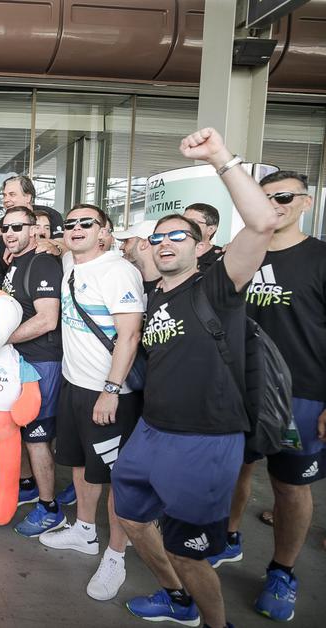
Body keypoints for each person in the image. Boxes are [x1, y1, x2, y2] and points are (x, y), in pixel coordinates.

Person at [113, 127, 278, 628]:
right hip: (152, 431)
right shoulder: (153, 294)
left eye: (177, 236)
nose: (164, 243)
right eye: (157, 237)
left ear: (202, 245)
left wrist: (220, 158)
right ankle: (176, 599)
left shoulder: (219, 285)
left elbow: (263, 222)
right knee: (131, 517)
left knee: (188, 551)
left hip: (206, 438)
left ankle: (215, 623)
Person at [209, 169, 325, 623]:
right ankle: (229, 536)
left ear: (306, 202)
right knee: (235, 469)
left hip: (302, 394)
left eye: (283, 197)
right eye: (264, 197)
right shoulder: (237, 255)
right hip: (236, 387)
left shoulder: (319, 258)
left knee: (290, 486)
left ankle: (282, 572)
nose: (273, 204)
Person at [38, 202, 144, 603]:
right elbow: (54, 243)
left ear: (105, 231)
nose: (77, 228)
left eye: (87, 223)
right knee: (81, 464)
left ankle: (116, 555)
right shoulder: (71, 263)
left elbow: (129, 336)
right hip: (74, 385)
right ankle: (84, 531)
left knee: (116, 478)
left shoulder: (118, 271)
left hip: (110, 393)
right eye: (71, 224)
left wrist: (111, 390)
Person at [0, 206, 66, 538]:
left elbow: (47, 319)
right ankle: (27, 485)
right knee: (18, 429)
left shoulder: (42, 263)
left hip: (41, 362)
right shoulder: (16, 261)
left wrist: (1, 339)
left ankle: (50, 508)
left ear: (34, 229)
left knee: (37, 437)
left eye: (17, 227)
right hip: (18, 360)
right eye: (5, 228)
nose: (10, 233)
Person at [113, 220, 159, 292]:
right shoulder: (127, 281)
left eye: (126, 241)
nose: (121, 247)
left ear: (144, 244)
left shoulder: (169, 287)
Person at [183, 203, 225, 270]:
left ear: (210, 229)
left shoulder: (223, 258)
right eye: (182, 221)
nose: (184, 226)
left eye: (192, 222)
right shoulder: (173, 254)